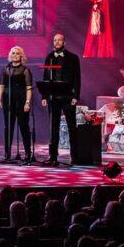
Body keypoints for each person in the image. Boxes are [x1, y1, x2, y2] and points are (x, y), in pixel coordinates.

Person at [41, 33, 81, 166]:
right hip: (53, 97)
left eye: (59, 40)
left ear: (64, 42)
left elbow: (77, 78)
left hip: (68, 96)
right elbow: (45, 77)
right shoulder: (49, 57)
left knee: (71, 127)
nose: (57, 42)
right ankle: (53, 156)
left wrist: (75, 96)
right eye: (55, 40)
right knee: (53, 127)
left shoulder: (73, 58)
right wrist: (44, 96)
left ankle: (75, 156)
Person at [0, 46, 33, 162]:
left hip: (21, 101)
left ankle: (28, 152)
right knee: (8, 127)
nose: (15, 55)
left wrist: (27, 102)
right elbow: (1, 86)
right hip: (8, 101)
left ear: (21, 56)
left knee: (24, 127)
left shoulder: (25, 70)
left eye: (17, 53)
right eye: (13, 53)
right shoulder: (6, 69)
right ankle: (7, 153)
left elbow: (29, 88)